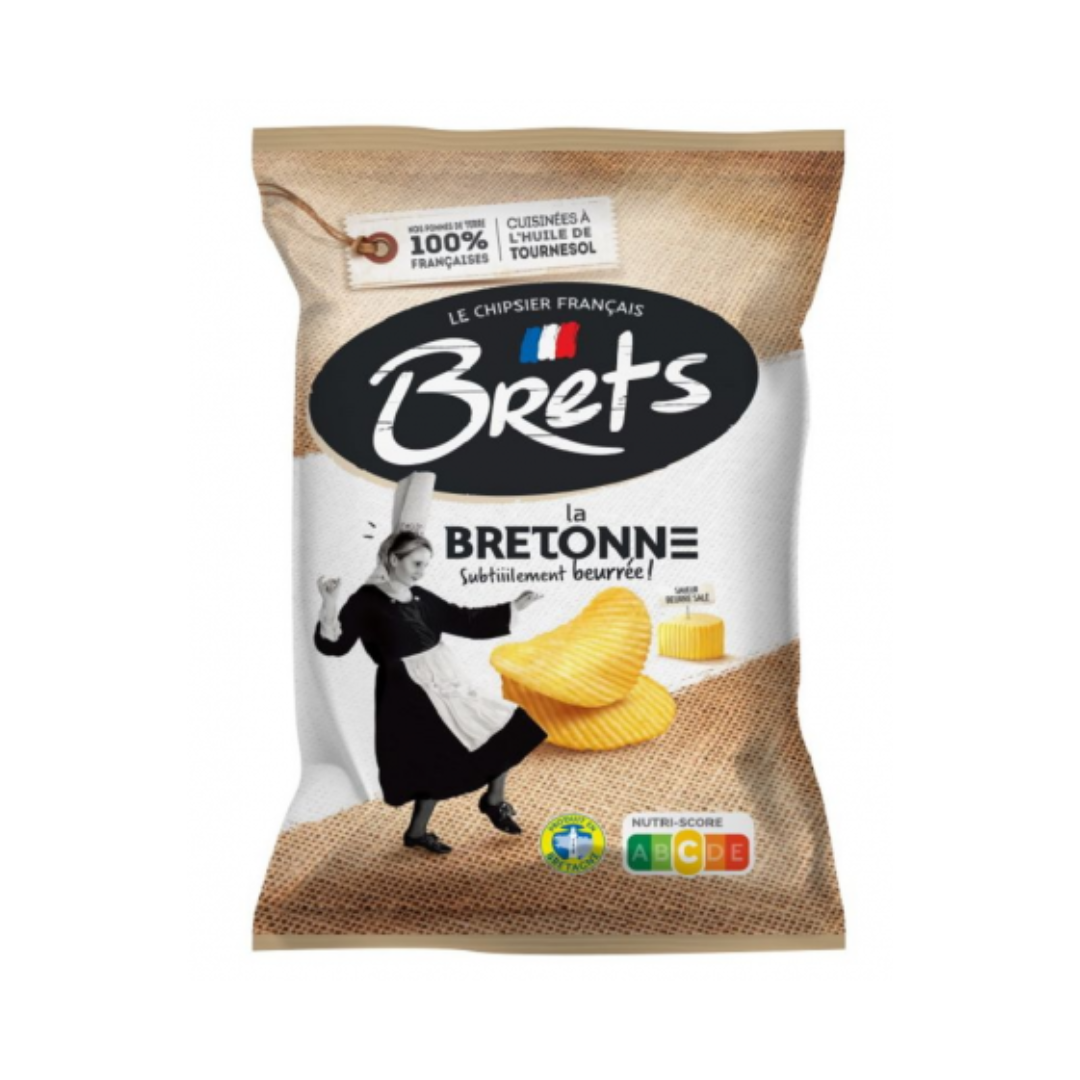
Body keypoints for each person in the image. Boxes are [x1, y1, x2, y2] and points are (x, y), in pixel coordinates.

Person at [315, 529, 546, 855]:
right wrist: (329, 602)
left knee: (506, 726)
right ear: (393, 559)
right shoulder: (365, 601)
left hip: (447, 681)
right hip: (407, 693)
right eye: (417, 564)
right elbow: (335, 645)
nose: (422, 572)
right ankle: (418, 832)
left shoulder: (419, 596)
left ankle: (493, 800)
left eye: (426, 564)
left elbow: (464, 619)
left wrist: (515, 606)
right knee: (434, 758)